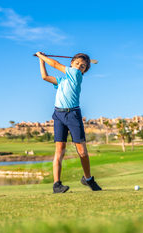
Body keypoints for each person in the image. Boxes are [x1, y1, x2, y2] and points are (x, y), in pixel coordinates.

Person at [35, 52, 102, 193]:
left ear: (84, 71)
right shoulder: (63, 80)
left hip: (73, 114)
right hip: (58, 115)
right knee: (59, 151)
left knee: (82, 152)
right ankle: (56, 185)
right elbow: (45, 77)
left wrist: (42, 56)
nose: (79, 67)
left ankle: (88, 179)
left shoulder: (76, 75)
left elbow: (55, 64)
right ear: (72, 63)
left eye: (83, 66)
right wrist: (41, 61)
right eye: (77, 64)